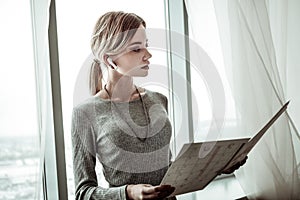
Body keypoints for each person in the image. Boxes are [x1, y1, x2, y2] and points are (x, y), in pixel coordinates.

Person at [71, 11, 246, 200]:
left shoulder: (159, 99)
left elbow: (165, 170)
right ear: (109, 60)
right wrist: (128, 193)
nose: (148, 54)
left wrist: (216, 165)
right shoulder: (85, 113)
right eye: (137, 49)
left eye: (146, 45)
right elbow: (83, 192)